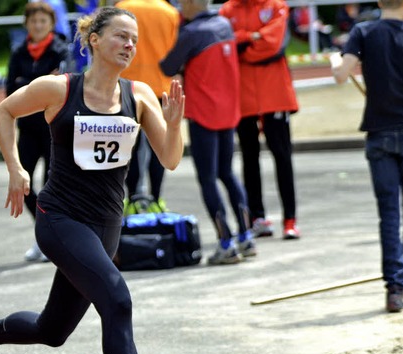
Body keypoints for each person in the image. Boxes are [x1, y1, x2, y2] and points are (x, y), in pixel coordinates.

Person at [0, 7, 185, 354]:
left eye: (133, 39)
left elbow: (169, 159)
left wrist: (173, 124)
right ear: (94, 40)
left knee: (51, 330)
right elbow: (4, 111)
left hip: (107, 225)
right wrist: (15, 168)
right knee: (117, 299)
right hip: (60, 218)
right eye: (121, 36)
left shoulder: (140, 95)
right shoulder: (60, 88)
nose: (129, 44)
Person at [330, 0, 403, 313]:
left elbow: (340, 75)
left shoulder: (362, 32)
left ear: (379, 2)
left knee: (389, 214)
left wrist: (337, 59)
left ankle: (395, 291)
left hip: (380, 132)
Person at [160, 0, 256, 264]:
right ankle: (246, 235)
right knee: (227, 173)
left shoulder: (192, 33)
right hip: (228, 110)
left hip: (204, 112)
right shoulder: (223, 24)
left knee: (208, 178)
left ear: (191, 4)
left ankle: (225, 241)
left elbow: (167, 66)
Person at [219, 0, 301, 240]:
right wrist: (252, 37)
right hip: (243, 95)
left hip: (275, 93)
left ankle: (290, 219)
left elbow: (273, 44)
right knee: (249, 157)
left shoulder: (276, 6)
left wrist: (243, 42)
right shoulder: (227, 10)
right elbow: (227, 46)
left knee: (282, 156)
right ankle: (257, 217)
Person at [4, 1, 69, 262]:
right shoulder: (19, 52)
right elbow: (10, 90)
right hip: (28, 128)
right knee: (24, 183)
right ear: (27, 24)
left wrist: (27, 86)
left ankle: (52, 240)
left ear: (52, 24)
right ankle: (43, 235)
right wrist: (40, 85)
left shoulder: (61, 49)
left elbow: (60, 85)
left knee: (50, 186)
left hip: (53, 128)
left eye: (43, 21)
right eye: (34, 21)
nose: (38, 25)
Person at [116, 0, 179, 214]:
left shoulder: (123, 8)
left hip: (128, 87)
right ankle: (155, 199)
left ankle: (133, 199)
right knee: (158, 148)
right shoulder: (170, 12)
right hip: (160, 87)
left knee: (129, 148)